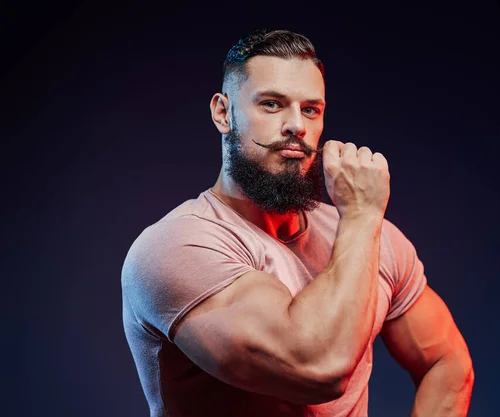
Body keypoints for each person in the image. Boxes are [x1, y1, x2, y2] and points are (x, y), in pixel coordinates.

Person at [121, 28, 474, 417]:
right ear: (223, 112)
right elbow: (318, 367)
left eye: (310, 109)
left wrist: (360, 221)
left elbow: (447, 363)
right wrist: (359, 215)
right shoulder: (177, 246)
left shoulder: (371, 239)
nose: (297, 126)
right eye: (272, 104)